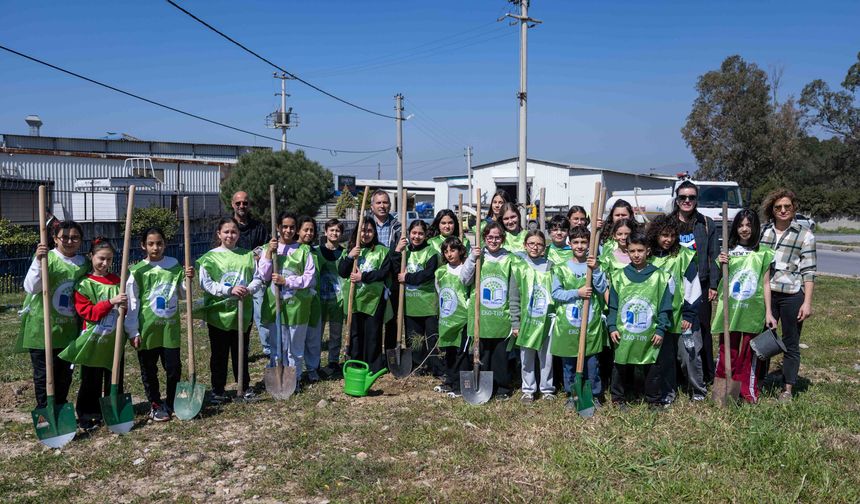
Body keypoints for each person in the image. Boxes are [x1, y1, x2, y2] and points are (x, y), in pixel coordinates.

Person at [18, 220, 87, 416]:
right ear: (55, 239)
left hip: (68, 330)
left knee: (64, 374)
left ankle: (60, 408)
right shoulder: (46, 257)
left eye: (74, 237)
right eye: (64, 237)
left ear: (80, 240)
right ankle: (45, 413)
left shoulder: (83, 263)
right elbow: (31, 287)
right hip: (42, 328)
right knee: (43, 376)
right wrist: (39, 262)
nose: (69, 241)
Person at [125, 228, 194, 421]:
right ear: (143, 246)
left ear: (165, 244)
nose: (155, 247)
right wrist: (132, 331)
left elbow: (182, 294)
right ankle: (155, 403)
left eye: (159, 243)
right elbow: (132, 302)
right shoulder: (137, 271)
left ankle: (172, 403)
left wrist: (188, 279)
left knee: (173, 367)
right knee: (149, 369)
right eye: (151, 244)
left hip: (169, 328)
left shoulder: (173, 265)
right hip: (147, 329)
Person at [59, 237, 127, 431]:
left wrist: (126, 306)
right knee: (91, 379)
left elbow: (126, 310)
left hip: (114, 339)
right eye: (101, 259)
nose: (105, 264)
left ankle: (112, 410)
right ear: (91, 257)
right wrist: (111, 302)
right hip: (93, 339)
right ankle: (88, 413)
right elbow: (88, 313)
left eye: (109, 259)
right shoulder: (84, 284)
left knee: (115, 376)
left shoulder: (118, 281)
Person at [712, 209, 777, 404]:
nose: (744, 229)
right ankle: (723, 392)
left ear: (755, 227)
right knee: (727, 350)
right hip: (730, 311)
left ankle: (747, 391)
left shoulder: (763, 253)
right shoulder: (728, 253)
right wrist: (720, 263)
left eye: (748, 225)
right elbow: (719, 279)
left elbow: (766, 284)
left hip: (753, 310)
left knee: (749, 352)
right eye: (740, 225)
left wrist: (768, 312)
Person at [759, 189, 816, 403]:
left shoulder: (805, 235)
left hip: (792, 295)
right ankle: (760, 381)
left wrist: (807, 302)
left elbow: (809, 271)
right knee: (764, 338)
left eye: (787, 207)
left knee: (790, 342)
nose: (783, 210)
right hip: (766, 293)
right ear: (772, 210)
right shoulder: (764, 231)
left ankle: (787, 388)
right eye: (778, 207)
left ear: (794, 209)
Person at [197, 217, 263, 403]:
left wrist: (248, 289)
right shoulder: (209, 257)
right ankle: (218, 389)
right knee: (219, 352)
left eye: (233, 231)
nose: (230, 235)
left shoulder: (247, 255)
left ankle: (243, 385)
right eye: (226, 231)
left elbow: (257, 278)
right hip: (219, 313)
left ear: (239, 234)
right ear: (219, 234)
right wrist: (228, 290)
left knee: (240, 350)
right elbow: (206, 283)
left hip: (242, 312)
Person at [606, 232, 673, 410]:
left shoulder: (660, 276)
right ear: (627, 252)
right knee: (620, 364)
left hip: (650, 332)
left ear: (648, 251)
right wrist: (612, 326)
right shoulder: (619, 276)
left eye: (640, 251)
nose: (636, 255)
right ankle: (618, 398)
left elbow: (665, 306)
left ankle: (654, 399)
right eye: (632, 251)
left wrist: (661, 329)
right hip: (624, 331)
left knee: (652, 365)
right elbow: (612, 305)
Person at [647, 215, 704, 403]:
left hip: (683, 315)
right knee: (664, 359)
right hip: (659, 319)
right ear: (656, 235)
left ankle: (698, 391)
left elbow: (692, 286)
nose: (667, 240)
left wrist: (689, 313)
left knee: (689, 355)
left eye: (671, 235)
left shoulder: (684, 255)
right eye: (663, 235)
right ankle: (667, 394)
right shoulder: (649, 258)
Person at [551, 225, 608, 409]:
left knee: (592, 363)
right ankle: (572, 394)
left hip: (590, 325)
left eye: (584, 242)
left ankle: (595, 394)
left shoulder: (595, 266)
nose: (580, 246)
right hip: (568, 325)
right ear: (570, 243)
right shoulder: (561, 268)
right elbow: (556, 294)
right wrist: (578, 292)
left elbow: (601, 289)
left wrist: (596, 270)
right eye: (576, 242)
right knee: (569, 363)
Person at [257, 212, 315, 391]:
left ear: (296, 229)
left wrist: (287, 281)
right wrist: (268, 253)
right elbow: (264, 275)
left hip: (298, 306)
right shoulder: (270, 248)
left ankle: (295, 379)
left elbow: (309, 278)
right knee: (277, 346)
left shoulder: (303, 250)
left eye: (291, 227)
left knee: (295, 347)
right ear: (278, 227)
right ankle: (278, 378)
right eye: (284, 227)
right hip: (276, 305)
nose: (288, 230)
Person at [464, 222, 521, 400]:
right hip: (481, 315)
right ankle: (482, 385)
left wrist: (514, 319)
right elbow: (465, 280)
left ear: (503, 239)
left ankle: (502, 388)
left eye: (497, 237)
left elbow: (513, 291)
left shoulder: (510, 258)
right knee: (483, 353)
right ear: (484, 238)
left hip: (501, 317)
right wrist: (472, 258)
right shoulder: (479, 256)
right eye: (490, 237)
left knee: (499, 356)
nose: (493, 240)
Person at [670, 181, 719, 384]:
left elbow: (714, 255)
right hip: (673, 286)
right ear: (677, 199)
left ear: (696, 199)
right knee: (674, 329)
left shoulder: (706, 223)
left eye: (691, 197)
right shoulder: (668, 223)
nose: (687, 201)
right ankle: (676, 374)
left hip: (701, 285)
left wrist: (714, 285)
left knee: (702, 329)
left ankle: (707, 373)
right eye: (683, 197)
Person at [337, 220, 393, 373]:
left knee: (373, 333)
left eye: (369, 231)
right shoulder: (351, 250)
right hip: (354, 299)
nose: (366, 234)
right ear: (357, 232)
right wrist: (350, 257)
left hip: (374, 299)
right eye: (363, 230)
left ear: (374, 233)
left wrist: (364, 277)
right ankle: (356, 363)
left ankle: (373, 365)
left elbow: (384, 272)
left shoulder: (382, 251)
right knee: (355, 333)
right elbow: (342, 272)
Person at [393, 220, 440, 375]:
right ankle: (419, 364)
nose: (417, 236)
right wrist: (397, 251)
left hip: (427, 302)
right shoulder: (405, 251)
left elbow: (427, 274)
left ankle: (435, 365)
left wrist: (408, 278)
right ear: (409, 234)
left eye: (420, 233)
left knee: (432, 336)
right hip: (410, 302)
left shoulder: (431, 253)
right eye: (414, 233)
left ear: (426, 234)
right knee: (414, 338)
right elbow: (393, 268)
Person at [514, 230, 555, 403]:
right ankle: (528, 389)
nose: (535, 247)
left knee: (546, 356)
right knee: (527, 356)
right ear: (525, 245)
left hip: (546, 319)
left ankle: (547, 389)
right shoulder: (519, 267)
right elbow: (514, 296)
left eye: (539, 244)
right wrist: (515, 322)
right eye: (531, 243)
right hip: (526, 320)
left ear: (544, 248)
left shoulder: (551, 266)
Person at [231, 191, 271, 357]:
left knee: (260, 313)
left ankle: (268, 348)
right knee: (237, 316)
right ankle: (240, 350)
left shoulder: (258, 227)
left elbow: (266, 248)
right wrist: (249, 256)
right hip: (234, 278)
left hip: (256, 277)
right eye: (238, 203)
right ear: (232, 204)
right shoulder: (229, 226)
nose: (242, 206)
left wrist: (257, 254)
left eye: (245, 203)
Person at [434, 237, 474, 397]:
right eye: (446, 251)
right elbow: (439, 290)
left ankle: (460, 385)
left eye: (453, 250)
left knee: (461, 351)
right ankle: (449, 380)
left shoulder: (465, 270)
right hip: (447, 317)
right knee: (449, 349)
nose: (449, 254)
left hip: (462, 317)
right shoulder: (441, 271)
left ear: (460, 251)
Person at [296, 216, 325, 383]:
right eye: (305, 229)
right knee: (297, 338)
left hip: (314, 300)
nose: (308, 233)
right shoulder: (293, 250)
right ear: (298, 230)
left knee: (313, 337)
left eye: (311, 230)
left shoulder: (316, 252)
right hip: (296, 301)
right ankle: (296, 370)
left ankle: (313, 368)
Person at [318, 219, 346, 376]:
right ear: (326, 232)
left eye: (338, 231)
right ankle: (314, 362)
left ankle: (333, 362)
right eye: (332, 230)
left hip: (337, 299)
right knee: (318, 333)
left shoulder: (344, 253)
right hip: (320, 299)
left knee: (336, 332)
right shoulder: (317, 251)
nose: (334, 233)